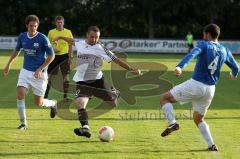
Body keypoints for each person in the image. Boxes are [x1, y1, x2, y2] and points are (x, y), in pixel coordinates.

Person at [160, 24, 239, 151]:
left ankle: (172, 123)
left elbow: (192, 55)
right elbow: (236, 67)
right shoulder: (225, 50)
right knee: (198, 119)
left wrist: (180, 66)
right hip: (210, 90)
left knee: (164, 98)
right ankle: (211, 145)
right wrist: (233, 74)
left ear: (207, 34)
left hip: (196, 84)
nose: (203, 36)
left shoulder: (204, 45)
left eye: (204, 34)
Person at [53, 26, 142, 138]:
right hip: (82, 81)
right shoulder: (80, 43)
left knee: (113, 104)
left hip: (98, 81)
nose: (94, 39)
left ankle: (115, 93)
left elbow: (116, 60)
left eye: (97, 37)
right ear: (87, 35)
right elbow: (71, 40)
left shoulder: (101, 48)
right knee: (80, 102)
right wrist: (60, 36)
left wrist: (131, 69)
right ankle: (86, 128)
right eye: (92, 37)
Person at [3, 15, 57, 130]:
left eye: (35, 26)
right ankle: (23, 124)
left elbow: (52, 56)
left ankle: (53, 103)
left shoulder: (42, 38)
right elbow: (16, 51)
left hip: (40, 74)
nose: (33, 28)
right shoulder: (22, 37)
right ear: (27, 25)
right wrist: (8, 64)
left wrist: (40, 69)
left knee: (39, 103)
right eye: (31, 26)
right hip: (25, 71)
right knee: (20, 94)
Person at [44, 16, 73, 102]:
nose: (59, 24)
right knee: (49, 77)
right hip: (54, 57)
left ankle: (65, 97)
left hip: (64, 57)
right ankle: (45, 96)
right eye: (58, 22)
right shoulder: (51, 32)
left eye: (61, 22)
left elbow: (71, 44)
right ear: (55, 23)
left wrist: (70, 57)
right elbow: (47, 45)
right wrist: (52, 49)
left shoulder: (68, 32)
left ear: (63, 23)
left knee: (66, 77)